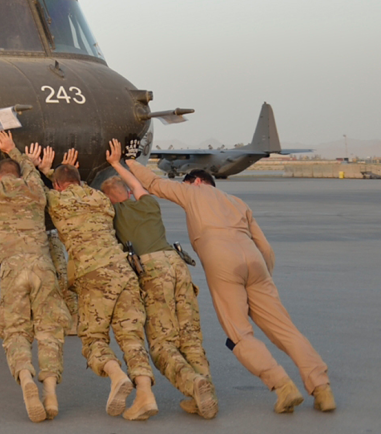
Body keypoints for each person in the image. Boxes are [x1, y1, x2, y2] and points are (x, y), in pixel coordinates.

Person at [122, 152, 335, 414]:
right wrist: (264, 278)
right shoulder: (238, 202)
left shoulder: (193, 192)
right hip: (255, 262)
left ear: (196, 182)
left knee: (240, 335)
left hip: (222, 261)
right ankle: (322, 389)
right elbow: (265, 247)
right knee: (286, 330)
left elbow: (153, 184)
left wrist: (127, 162)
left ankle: (282, 386)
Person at [29, 143, 158, 421]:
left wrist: (39, 167)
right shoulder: (100, 200)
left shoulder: (57, 200)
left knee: (93, 338)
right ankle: (145, 395)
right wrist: (58, 171)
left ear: (58, 186)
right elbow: (75, 185)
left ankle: (116, 375)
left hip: (93, 275)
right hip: (123, 272)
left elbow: (39, 191)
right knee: (132, 337)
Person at [102, 141, 217, 419]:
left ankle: (193, 384)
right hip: (176, 264)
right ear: (128, 193)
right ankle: (205, 393)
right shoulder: (149, 204)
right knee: (189, 335)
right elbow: (139, 186)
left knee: (162, 343)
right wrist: (118, 163)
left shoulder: (111, 214)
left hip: (152, 271)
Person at [0, 121, 70, 423]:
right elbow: (30, 169)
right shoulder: (35, 193)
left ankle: (27, 380)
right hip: (42, 266)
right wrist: (12, 149)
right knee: (49, 330)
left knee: (15, 330)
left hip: (13, 268)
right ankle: (51, 391)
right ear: (18, 174)